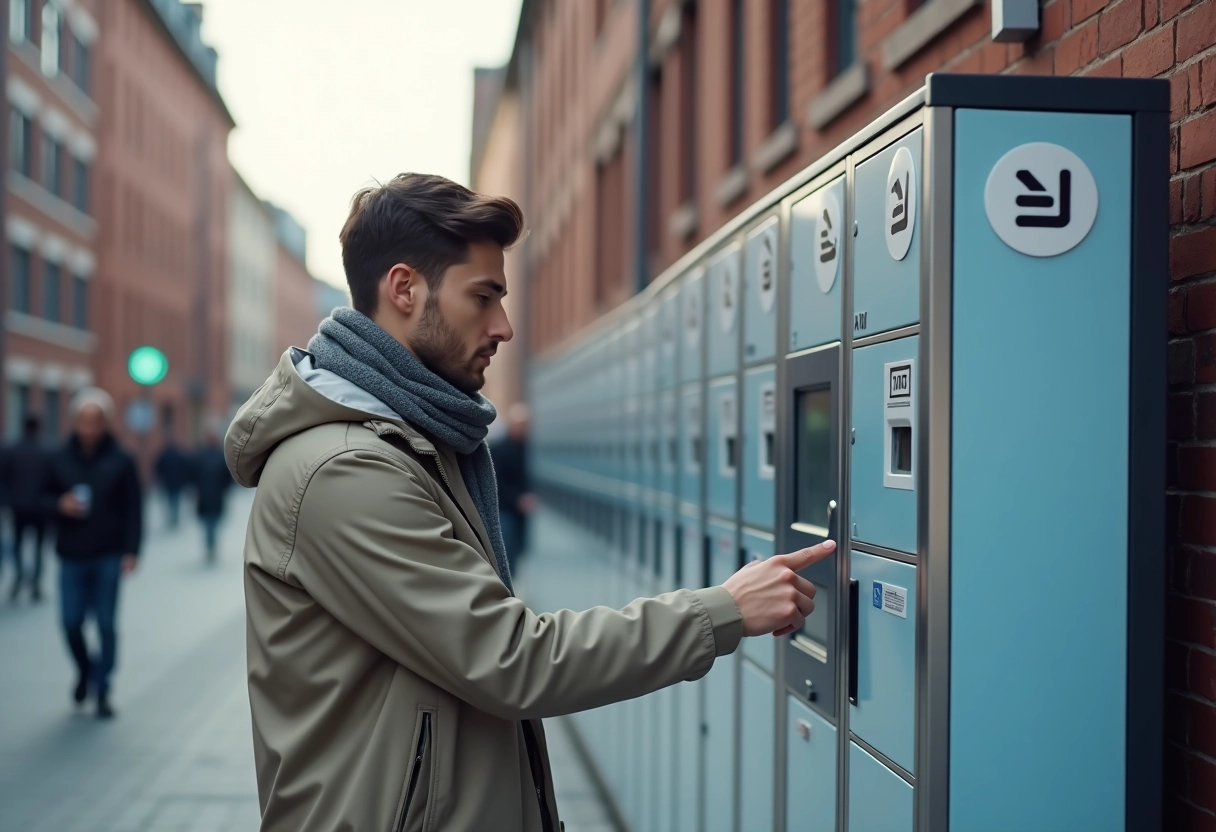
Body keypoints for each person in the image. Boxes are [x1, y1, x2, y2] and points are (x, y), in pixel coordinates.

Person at [225, 173, 831, 832]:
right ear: (404, 289)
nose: (504, 327)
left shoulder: (417, 441)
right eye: (483, 297)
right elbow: (510, 660)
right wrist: (722, 611)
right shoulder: (347, 469)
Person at [44, 388, 142, 719]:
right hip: (71, 553)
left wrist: (131, 551)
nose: (89, 428)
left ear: (105, 423)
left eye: (95, 422)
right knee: (71, 622)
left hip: (108, 554)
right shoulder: (59, 457)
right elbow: (38, 498)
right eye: (83, 422)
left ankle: (103, 687)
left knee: (105, 623)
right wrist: (59, 504)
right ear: (74, 423)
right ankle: (86, 669)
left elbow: (134, 508)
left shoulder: (121, 459)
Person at [2, 415, 53, 602]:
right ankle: (36, 584)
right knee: (39, 547)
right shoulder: (46, 452)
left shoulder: (11, 450)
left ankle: (19, 576)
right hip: (40, 507)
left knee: (17, 544)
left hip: (18, 507)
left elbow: (4, 479)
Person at [489, 402, 536, 572]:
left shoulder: (529, 448)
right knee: (507, 549)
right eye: (519, 425)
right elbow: (497, 482)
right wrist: (518, 499)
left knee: (519, 548)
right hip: (505, 508)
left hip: (521, 510)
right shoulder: (500, 449)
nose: (523, 429)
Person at [192, 432, 232, 563]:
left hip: (205, 496)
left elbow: (193, 476)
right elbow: (228, 477)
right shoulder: (221, 457)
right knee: (212, 522)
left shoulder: (199, 456)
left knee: (209, 523)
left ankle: (210, 543)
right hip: (216, 496)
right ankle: (211, 543)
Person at [154, 437, 190, 529]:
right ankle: (174, 516)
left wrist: (161, 479)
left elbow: (158, 468)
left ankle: (172, 516)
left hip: (168, 482)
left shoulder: (163, 456)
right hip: (177, 482)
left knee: (170, 499)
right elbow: (184, 468)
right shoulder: (179, 455)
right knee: (176, 499)